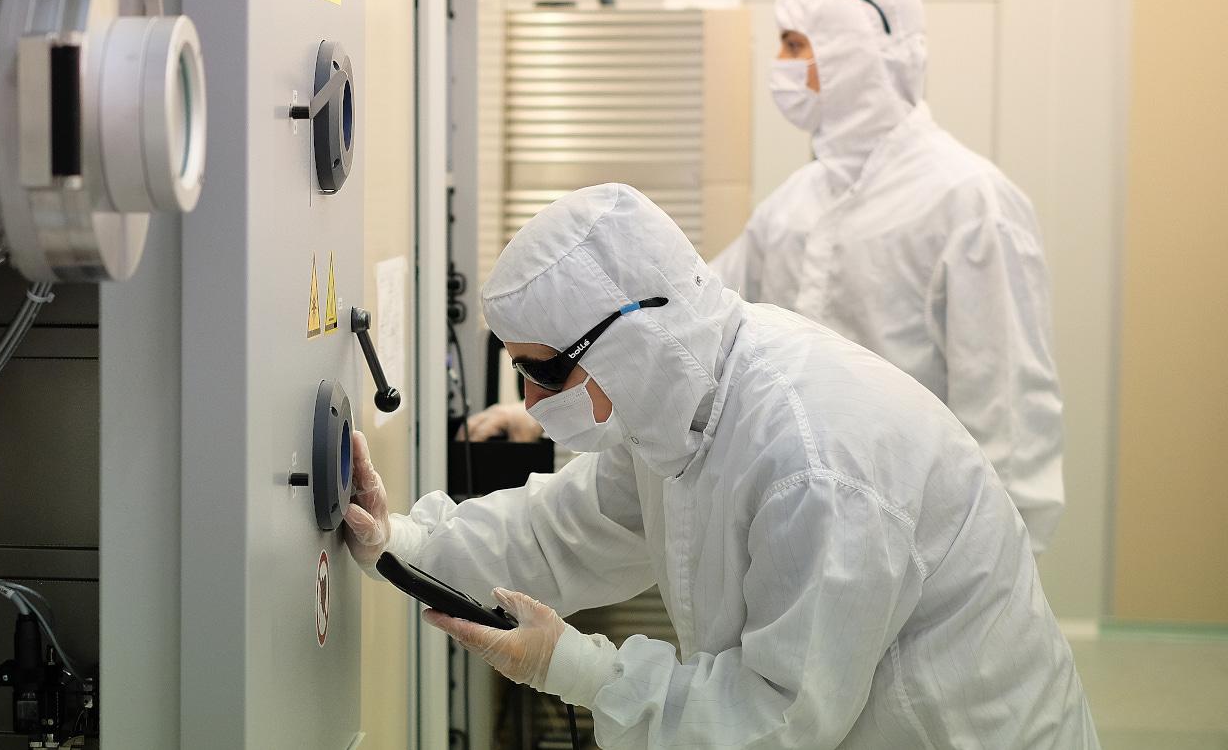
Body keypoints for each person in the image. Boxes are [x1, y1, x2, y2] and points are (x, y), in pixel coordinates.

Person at [349, 184, 1096, 748]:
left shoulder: (812, 464)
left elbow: (775, 718)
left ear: (625, 339)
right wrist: (401, 541)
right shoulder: (679, 410)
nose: (530, 400)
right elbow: (563, 531)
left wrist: (572, 666)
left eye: (543, 375)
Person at [470, 0, 1066, 554]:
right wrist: (545, 402)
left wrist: (1002, 564)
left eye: (796, 45)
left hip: (924, 530)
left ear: (857, 52)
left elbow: (1007, 404)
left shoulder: (970, 201)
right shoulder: (797, 205)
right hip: (804, 501)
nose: (783, 66)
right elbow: (678, 325)